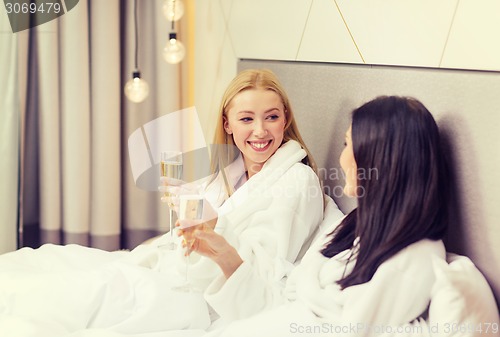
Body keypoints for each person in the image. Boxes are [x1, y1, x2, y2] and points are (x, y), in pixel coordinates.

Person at [214, 95, 451, 336]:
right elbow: (282, 301)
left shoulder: (411, 259)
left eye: (349, 145)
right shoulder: (352, 227)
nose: (342, 158)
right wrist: (224, 256)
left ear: (382, 159)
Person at [158, 68, 342, 323]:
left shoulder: (298, 181)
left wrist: (213, 224)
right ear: (227, 124)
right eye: (246, 119)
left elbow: (265, 272)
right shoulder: (225, 176)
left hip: (215, 304)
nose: (260, 131)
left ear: (285, 119)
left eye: (271, 117)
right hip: (179, 285)